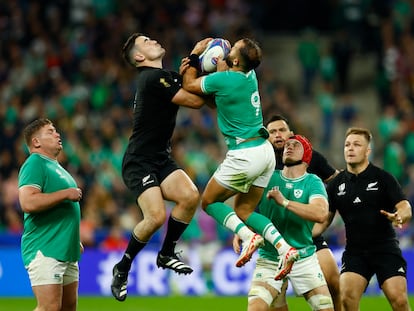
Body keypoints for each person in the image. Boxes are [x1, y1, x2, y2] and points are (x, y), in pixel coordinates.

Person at [182, 38, 299, 279]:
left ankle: (249, 237)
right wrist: (221, 66)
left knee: (209, 202)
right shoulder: (249, 76)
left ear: (235, 60)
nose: (228, 46)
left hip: (244, 153)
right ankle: (284, 248)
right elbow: (221, 99)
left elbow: (190, 84)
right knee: (244, 210)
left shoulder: (226, 79)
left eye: (232, 47)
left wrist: (195, 56)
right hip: (265, 152)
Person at [110, 33, 211, 302]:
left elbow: (188, 84)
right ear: (140, 57)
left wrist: (194, 63)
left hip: (161, 158)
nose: (154, 41)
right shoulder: (151, 78)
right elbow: (196, 99)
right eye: (146, 42)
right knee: (154, 217)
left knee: (190, 196)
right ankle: (122, 268)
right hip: (139, 161)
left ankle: (166, 253)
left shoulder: (162, 77)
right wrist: (199, 59)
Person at [235, 134, 334, 311]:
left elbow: (320, 213)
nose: (289, 146)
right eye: (287, 144)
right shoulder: (267, 177)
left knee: (325, 308)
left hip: (303, 257)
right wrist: (241, 231)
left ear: (307, 155)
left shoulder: (312, 182)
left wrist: (285, 202)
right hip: (270, 257)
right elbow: (245, 208)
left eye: (296, 145)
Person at [319, 127, 412, 310]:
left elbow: (404, 206)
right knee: (346, 298)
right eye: (347, 145)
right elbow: (323, 221)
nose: (350, 148)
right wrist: (301, 233)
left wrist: (399, 215)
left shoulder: (383, 178)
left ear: (367, 151)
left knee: (399, 300)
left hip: (385, 249)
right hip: (355, 252)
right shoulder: (336, 185)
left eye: (356, 144)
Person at [266, 114, 341, 311]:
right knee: (277, 300)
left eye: (282, 130)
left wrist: (325, 219)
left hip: (306, 234)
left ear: (291, 133)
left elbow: (338, 183)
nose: (278, 135)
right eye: (272, 132)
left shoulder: (308, 156)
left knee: (333, 281)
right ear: (267, 137)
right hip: (274, 237)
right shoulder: (262, 160)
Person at [18, 118, 83, 311]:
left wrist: (72, 238)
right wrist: (66, 193)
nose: (57, 134)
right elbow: (27, 202)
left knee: (67, 308)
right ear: (36, 142)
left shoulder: (55, 166)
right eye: (50, 131)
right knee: (49, 308)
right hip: (45, 249)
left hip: (65, 249)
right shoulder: (35, 163)